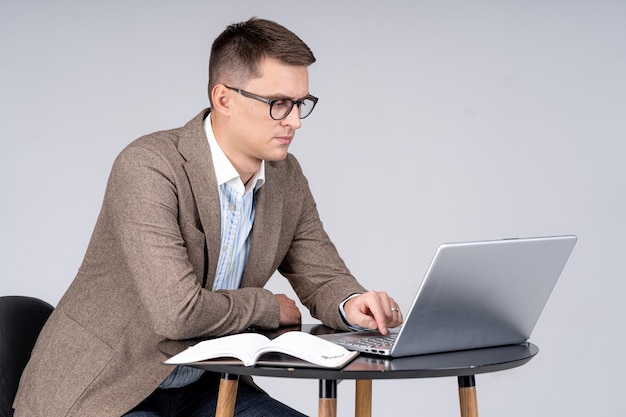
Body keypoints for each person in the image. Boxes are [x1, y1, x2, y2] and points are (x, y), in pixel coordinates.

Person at [13, 17, 403, 417]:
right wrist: (269, 306)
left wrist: (353, 303)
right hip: (108, 388)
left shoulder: (287, 177)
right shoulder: (149, 167)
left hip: (208, 386)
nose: (295, 121)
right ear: (224, 98)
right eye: (278, 104)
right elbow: (177, 314)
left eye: (301, 103)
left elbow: (322, 275)